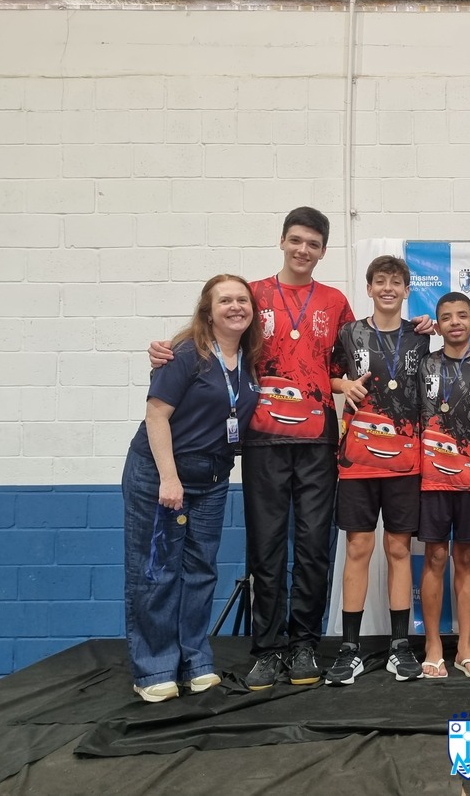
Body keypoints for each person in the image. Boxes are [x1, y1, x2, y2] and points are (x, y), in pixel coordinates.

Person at [151, 208, 355, 689]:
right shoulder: (253, 294)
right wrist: (167, 349)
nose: (303, 250)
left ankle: (304, 643)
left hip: (319, 440)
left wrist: (417, 331)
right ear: (282, 241)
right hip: (262, 438)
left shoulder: (336, 302)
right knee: (265, 547)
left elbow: (347, 367)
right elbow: (213, 338)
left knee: (313, 547)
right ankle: (267, 647)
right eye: (296, 240)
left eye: (313, 244)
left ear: (324, 251)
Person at [124, 275, 262, 702]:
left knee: (201, 571)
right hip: (162, 475)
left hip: (214, 479)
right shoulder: (186, 353)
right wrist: (169, 478)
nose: (235, 307)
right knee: (157, 570)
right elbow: (156, 415)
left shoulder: (250, 360)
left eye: (242, 300)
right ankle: (153, 669)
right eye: (225, 300)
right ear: (208, 311)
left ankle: (195, 663)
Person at [325, 256, 429, 684]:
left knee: (399, 550)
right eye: (380, 281)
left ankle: (400, 645)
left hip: (405, 461)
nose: (388, 288)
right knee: (358, 549)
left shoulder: (421, 336)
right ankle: (349, 648)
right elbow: (326, 375)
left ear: (406, 290)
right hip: (358, 459)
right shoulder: (350, 333)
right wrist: (343, 385)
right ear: (368, 288)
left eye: (396, 282)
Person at [417, 292, 470, 679]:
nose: (455, 322)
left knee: (465, 560)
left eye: (463, 316)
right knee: (435, 558)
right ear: (437, 325)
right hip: (432, 478)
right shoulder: (424, 363)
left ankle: (465, 647)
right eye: (447, 317)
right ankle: (433, 645)